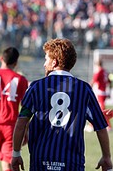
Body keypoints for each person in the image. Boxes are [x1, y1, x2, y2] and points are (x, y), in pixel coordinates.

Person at [11, 38, 112, 171]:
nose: (44, 64)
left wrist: (16, 153)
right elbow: (100, 126)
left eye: (46, 59)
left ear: (54, 62)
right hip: (72, 163)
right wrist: (106, 156)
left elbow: (21, 123)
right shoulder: (84, 89)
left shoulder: (36, 87)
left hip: (41, 160)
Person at [90, 60, 112, 130]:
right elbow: (109, 81)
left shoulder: (99, 71)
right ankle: (92, 125)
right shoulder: (105, 71)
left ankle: (108, 126)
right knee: (99, 108)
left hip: (100, 92)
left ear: (96, 65)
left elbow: (94, 80)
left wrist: (88, 88)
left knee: (100, 109)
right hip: (104, 92)